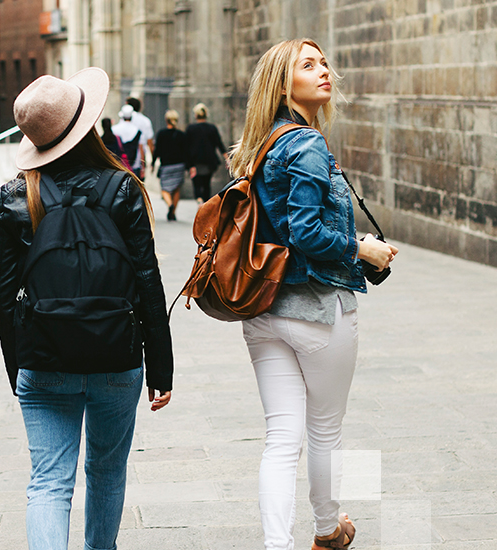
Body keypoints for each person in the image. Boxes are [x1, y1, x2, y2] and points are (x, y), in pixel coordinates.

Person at [0, 67, 174, 550]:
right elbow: (147, 280)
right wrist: (161, 367)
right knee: (107, 472)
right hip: (117, 358)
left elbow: (2, 295)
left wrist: (19, 367)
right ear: (88, 126)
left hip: (44, 358)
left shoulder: (14, 198)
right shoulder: (123, 188)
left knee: (49, 482)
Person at [228, 39, 398, 550]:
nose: (325, 70)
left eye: (324, 61)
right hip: (318, 310)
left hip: (262, 310)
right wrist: (363, 249)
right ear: (284, 84)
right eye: (309, 65)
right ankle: (327, 531)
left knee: (281, 437)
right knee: (324, 430)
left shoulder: (261, 145)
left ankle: (276, 544)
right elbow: (306, 234)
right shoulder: (305, 145)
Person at [185, 102, 229, 203]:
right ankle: (205, 203)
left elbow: (186, 148)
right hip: (209, 162)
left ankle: (199, 200)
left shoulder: (191, 129)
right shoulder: (212, 128)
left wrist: (189, 164)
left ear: (195, 115)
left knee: (197, 184)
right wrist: (227, 158)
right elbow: (219, 143)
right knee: (206, 184)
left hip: (195, 163)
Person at [152, 109, 191, 221]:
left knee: (164, 189)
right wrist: (189, 166)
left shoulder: (161, 134)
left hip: (166, 165)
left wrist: (154, 162)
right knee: (176, 189)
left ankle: (169, 205)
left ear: (166, 120)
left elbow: (157, 150)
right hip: (179, 165)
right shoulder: (181, 135)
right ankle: (173, 212)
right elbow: (186, 152)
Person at [125, 97, 155, 179]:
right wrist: (152, 160)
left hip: (124, 159)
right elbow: (149, 142)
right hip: (139, 160)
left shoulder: (124, 119)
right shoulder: (145, 121)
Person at [111, 105, 144, 177]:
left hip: (119, 164)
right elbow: (141, 148)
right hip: (134, 165)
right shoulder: (137, 130)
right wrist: (143, 167)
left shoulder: (114, 129)